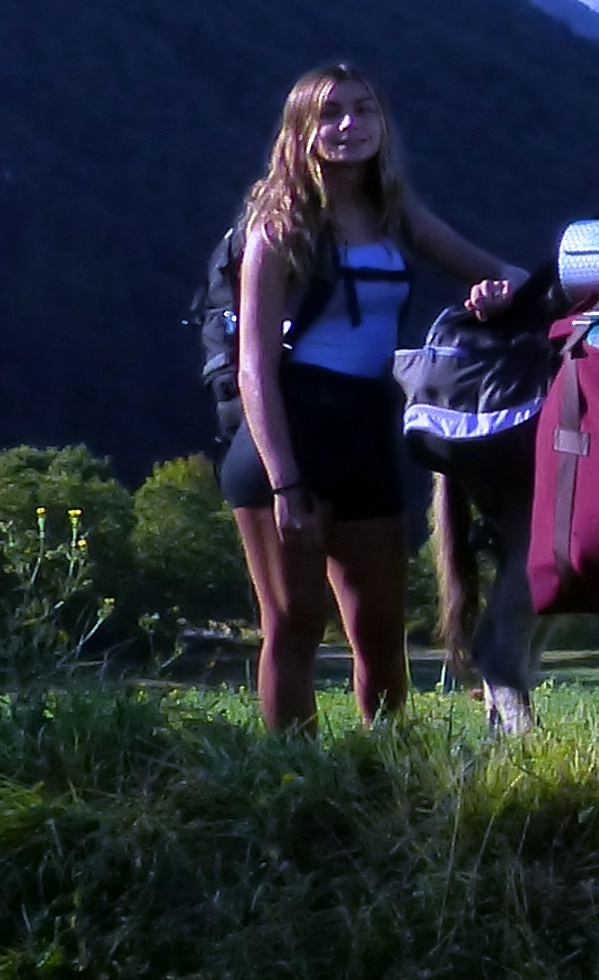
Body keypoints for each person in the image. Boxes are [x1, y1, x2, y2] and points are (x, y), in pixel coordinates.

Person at [225, 64, 525, 733]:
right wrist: (285, 484)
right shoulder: (279, 230)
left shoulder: (395, 215)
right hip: (289, 437)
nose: (350, 126)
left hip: (365, 434)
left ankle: (384, 779)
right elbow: (253, 370)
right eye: (331, 113)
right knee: (294, 629)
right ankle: (291, 787)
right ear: (301, 131)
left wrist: (499, 295)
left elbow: (505, 275)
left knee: (383, 634)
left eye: (364, 110)